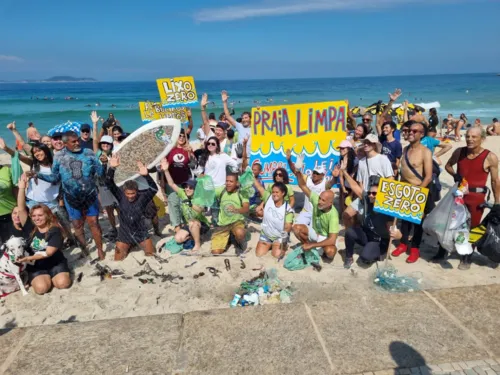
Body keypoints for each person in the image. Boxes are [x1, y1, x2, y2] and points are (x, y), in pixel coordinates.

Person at [31, 131, 106, 260]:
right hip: (71, 198)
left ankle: (100, 250)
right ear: (65, 143)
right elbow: (55, 178)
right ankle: (85, 250)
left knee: (94, 223)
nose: (77, 143)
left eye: (78, 140)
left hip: (90, 195)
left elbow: (100, 174)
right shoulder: (59, 156)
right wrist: (38, 175)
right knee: (77, 225)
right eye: (74, 141)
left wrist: (104, 164)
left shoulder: (88, 153)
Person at [442, 127, 500, 269]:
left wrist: (497, 202)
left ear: (482, 138)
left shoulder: (490, 157)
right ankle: (445, 249)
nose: (470, 139)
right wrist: (455, 176)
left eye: (474, 137)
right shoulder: (459, 152)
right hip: (459, 196)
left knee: (472, 228)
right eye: (467, 136)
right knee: (454, 223)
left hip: (477, 199)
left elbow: (495, 181)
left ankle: (467, 257)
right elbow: (448, 165)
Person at [16, 174, 70, 295]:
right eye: (34, 216)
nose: (36, 218)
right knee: (41, 289)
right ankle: (43, 278)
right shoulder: (29, 225)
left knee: (63, 284)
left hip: (54, 261)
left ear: (47, 215)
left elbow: (48, 252)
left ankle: (57, 274)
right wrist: (21, 188)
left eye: (40, 215)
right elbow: (20, 209)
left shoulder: (54, 230)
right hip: (37, 265)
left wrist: (27, 258)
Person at [391, 122, 433, 263]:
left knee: (417, 223)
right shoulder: (405, 149)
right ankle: (403, 244)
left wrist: (418, 193)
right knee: (404, 221)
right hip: (405, 190)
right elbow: (403, 172)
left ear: (421, 134)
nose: (410, 133)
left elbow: (428, 176)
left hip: (419, 190)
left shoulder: (425, 152)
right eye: (408, 130)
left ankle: (414, 249)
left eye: (414, 131)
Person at [340, 165, 394, 268]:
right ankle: (349, 257)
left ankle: (379, 252)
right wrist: (344, 172)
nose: (370, 195)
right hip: (367, 234)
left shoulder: (386, 209)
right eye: (369, 192)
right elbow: (355, 186)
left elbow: (395, 230)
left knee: (365, 258)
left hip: (379, 240)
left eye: (374, 193)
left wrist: (396, 234)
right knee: (350, 232)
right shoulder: (367, 200)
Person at [106, 155, 157, 260]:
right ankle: (129, 245)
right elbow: (108, 182)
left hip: (141, 233)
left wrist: (147, 175)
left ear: (137, 192)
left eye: (133, 193)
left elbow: (154, 189)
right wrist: (112, 168)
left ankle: (134, 245)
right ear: (124, 192)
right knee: (118, 259)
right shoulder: (120, 196)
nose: (130, 196)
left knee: (151, 255)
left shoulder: (142, 198)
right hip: (124, 234)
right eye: (128, 194)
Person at [343, 134, 393, 228]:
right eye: (365, 142)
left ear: (374, 145)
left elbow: (390, 179)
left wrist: (382, 197)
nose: (365, 144)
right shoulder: (361, 162)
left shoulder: (383, 159)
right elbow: (360, 182)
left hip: (378, 197)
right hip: (365, 196)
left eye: (368, 143)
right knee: (346, 215)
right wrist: (363, 197)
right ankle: (353, 234)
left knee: (380, 225)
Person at [161, 160, 210, 252]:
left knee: (193, 223)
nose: (187, 189)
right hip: (189, 224)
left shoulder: (199, 198)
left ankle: (197, 244)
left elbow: (201, 210)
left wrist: (190, 204)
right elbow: (171, 184)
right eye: (186, 187)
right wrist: (166, 170)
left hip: (202, 224)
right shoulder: (183, 193)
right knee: (178, 239)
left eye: (191, 187)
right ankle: (192, 236)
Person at [292, 169, 339, 260]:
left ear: (330, 203)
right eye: (320, 198)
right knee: (296, 228)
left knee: (330, 252)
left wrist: (313, 245)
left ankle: (312, 247)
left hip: (327, 238)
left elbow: (332, 239)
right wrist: (298, 173)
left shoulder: (333, 215)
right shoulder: (315, 199)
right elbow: (302, 185)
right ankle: (307, 246)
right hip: (315, 234)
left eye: (323, 200)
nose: (319, 202)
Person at [286, 150, 333, 226]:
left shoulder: (325, 183)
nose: (314, 174)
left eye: (317, 173)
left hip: (318, 212)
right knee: (296, 227)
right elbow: (295, 171)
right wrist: (289, 160)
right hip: (306, 211)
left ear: (322, 175)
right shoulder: (308, 179)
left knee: (314, 233)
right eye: (314, 172)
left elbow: (331, 183)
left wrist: (335, 177)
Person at [160, 129, 193, 233]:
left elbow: (193, 165)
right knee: (173, 204)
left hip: (185, 182)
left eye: (183, 136)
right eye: (179, 135)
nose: (182, 137)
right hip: (171, 182)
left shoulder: (187, 149)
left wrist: (190, 152)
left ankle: (184, 223)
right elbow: (162, 166)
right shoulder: (169, 149)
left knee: (184, 204)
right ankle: (176, 225)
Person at [253, 178, 294, 258]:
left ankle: (281, 245)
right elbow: (259, 187)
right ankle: (269, 244)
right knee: (259, 254)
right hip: (266, 234)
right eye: (273, 192)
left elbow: (288, 227)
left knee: (277, 255)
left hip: (279, 236)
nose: (274, 194)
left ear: (283, 193)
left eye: (277, 192)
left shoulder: (288, 209)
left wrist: (283, 241)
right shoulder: (268, 198)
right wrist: (250, 173)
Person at [211, 173, 249, 255]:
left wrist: (237, 210)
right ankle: (229, 238)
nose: (228, 183)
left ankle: (239, 244)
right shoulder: (221, 190)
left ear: (237, 183)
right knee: (215, 252)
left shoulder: (242, 192)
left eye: (231, 181)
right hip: (223, 224)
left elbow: (246, 208)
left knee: (239, 232)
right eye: (227, 181)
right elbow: (209, 193)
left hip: (237, 223)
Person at [222, 90, 251, 154]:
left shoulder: (255, 128)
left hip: (252, 156)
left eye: (246, 118)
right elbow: (227, 115)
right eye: (243, 118)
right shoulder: (239, 126)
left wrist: (259, 110)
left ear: (250, 119)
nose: (243, 119)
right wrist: (224, 102)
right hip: (240, 157)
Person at [0, 161, 17, 244]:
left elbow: (15, 189)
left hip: (10, 214)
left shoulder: (7, 170)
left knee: (11, 243)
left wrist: (20, 208)